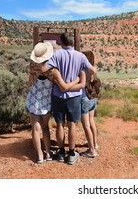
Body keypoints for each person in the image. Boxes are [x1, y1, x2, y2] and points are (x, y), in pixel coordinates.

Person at [42, 33, 96, 165]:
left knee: (59, 125)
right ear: (72, 43)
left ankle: (61, 153)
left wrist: (53, 71)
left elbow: (44, 69)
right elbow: (92, 70)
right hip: (75, 96)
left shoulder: (57, 55)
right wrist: (83, 76)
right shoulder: (81, 56)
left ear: (62, 42)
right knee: (72, 125)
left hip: (57, 95)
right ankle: (71, 154)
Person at [26, 42, 84, 164]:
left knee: (35, 129)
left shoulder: (32, 65)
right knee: (45, 128)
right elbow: (64, 87)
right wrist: (77, 80)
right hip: (46, 101)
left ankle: (40, 156)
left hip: (33, 99)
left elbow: (30, 82)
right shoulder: (52, 71)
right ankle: (48, 153)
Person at [80, 51, 101, 158]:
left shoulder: (83, 70)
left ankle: (91, 150)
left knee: (86, 125)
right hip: (92, 98)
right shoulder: (93, 69)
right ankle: (95, 143)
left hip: (84, 99)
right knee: (92, 121)